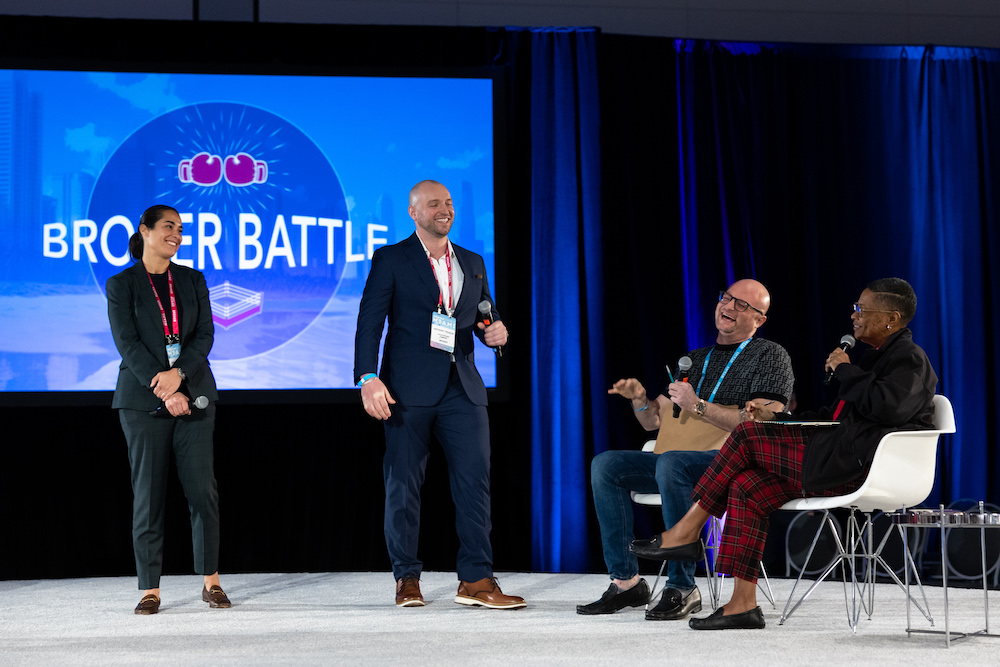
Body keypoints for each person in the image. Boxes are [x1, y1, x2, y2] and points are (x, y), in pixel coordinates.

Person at [631, 277, 937, 630]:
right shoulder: (874, 360)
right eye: (855, 308)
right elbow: (833, 418)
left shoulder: (909, 359)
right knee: (747, 484)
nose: (854, 316)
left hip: (859, 469)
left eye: (861, 309)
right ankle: (742, 604)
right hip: (835, 461)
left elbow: (890, 408)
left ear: (892, 319)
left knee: (745, 433)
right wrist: (777, 417)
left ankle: (687, 531)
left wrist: (844, 369)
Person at [578, 279, 793, 620]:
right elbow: (653, 421)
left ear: (759, 320)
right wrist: (639, 399)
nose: (728, 307)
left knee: (672, 464)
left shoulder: (770, 356)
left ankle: (681, 586)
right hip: (674, 461)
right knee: (606, 465)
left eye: (742, 305)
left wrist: (698, 406)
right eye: (727, 298)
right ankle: (626, 582)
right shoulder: (695, 359)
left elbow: (759, 423)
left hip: (726, 462)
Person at [354, 180, 525, 609]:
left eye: (448, 202)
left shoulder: (473, 261)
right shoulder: (391, 258)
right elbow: (370, 322)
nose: (444, 209)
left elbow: (485, 315)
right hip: (406, 390)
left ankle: (476, 580)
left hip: (463, 388)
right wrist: (367, 377)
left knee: (475, 485)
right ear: (414, 212)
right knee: (403, 486)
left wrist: (496, 333)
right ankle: (407, 579)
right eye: (433, 204)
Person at [107, 205, 228, 615]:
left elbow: (205, 335)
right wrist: (163, 387)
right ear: (145, 230)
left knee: (202, 492)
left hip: (194, 395)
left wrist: (179, 375)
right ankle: (149, 589)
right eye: (168, 226)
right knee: (148, 495)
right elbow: (127, 343)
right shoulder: (121, 284)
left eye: (180, 228)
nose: (176, 234)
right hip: (142, 401)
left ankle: (211, 582)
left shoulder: (192, 280)